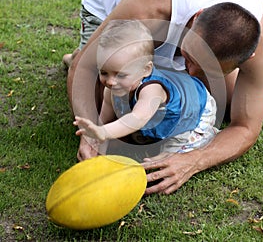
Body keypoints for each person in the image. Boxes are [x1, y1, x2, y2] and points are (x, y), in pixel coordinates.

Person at [66, 0, 263, 195]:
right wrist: (93, 134)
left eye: (207, 68)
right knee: (109, 92)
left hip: (176, 34)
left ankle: (171, 60)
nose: (192, 72)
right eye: (189, 58)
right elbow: (83, 68)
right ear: (197, 17)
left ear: (247, 60)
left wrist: (194, 160)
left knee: (225, 104)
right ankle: (80, 51)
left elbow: (245, 128)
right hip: (113, 12)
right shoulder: (150, 5)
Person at [73, 20, 219, 155]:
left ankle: (206, 134)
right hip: (162, 111)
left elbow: (137, 119)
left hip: (196, 109)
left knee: (171, 154)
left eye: (121, 75)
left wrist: (104, 132)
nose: (110, 82)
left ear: (146, 70)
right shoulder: (113, 88)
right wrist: (97, 139)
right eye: (103, 72)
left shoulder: (152, 90)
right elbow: (105, 119)